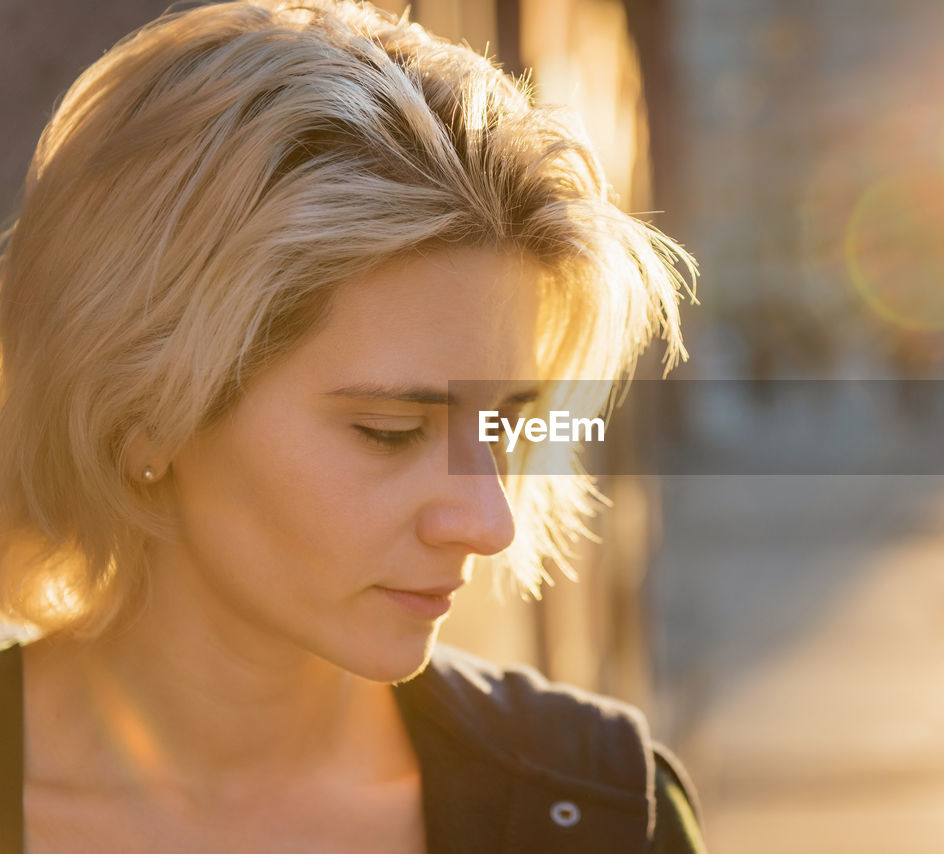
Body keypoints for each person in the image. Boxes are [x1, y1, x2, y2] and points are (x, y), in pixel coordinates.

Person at [0, 1, 701, 851]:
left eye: (506, 428)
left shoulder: (602, 812)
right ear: (140, 414)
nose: (488, 523)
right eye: (389, 430)